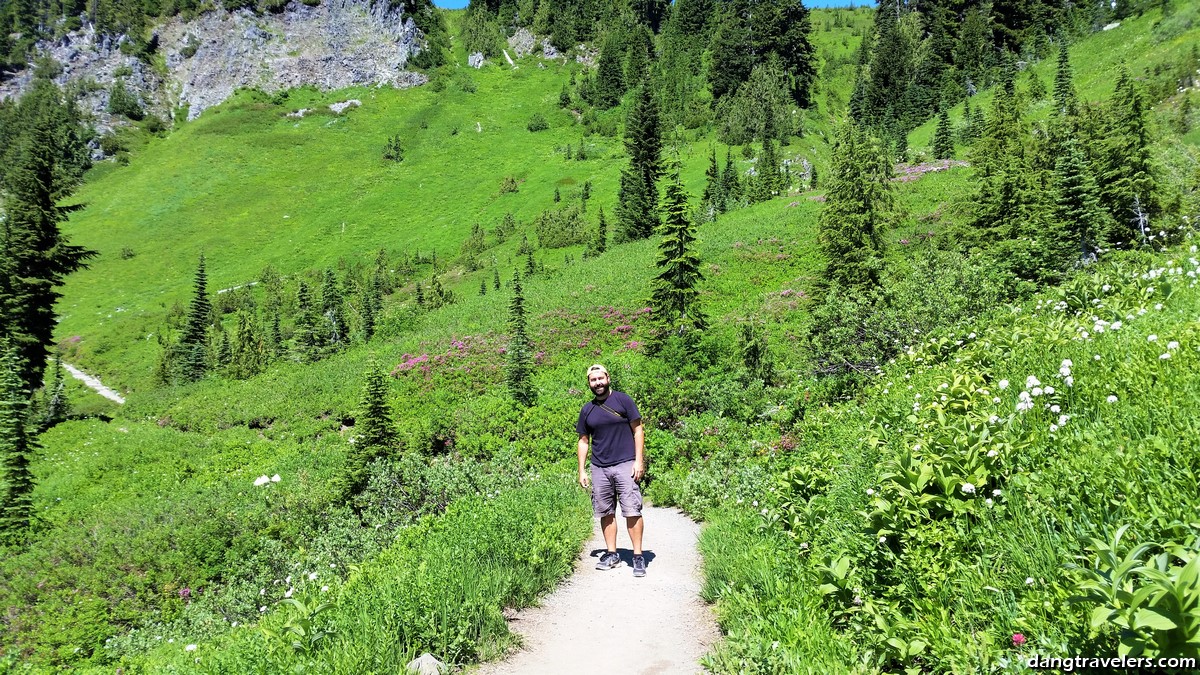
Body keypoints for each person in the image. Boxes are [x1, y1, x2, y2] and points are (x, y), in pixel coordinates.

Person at [576, 363, 646, 577]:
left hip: (626, 463)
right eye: (593, 380)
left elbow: (638, 429)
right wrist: (582, 471)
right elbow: (583, 441)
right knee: (605, 511)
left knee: (632, 509)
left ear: (608, 378)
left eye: (600, 378)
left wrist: (639, 460)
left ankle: (637, 556)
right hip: (599, 467)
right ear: (589, 383)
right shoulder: (587, 410)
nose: (597, 383)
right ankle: (612, 553)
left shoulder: (623, 400)